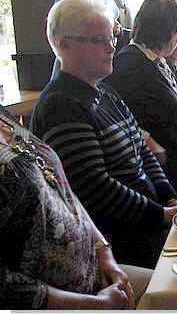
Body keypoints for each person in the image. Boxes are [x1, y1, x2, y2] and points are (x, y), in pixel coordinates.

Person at [31, 0, 177, 269]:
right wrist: (160, 215)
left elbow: (142, 150)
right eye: (99, 41)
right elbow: (96, 190)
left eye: (111, 38)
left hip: (149, 225)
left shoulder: (105, 91)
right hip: (118, 247)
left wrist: (169, 195)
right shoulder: (60, 105)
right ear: (65, 45)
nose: (111, 48)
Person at [0, 106, 153, 309]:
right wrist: (95, 305)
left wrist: (104, 252)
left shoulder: (3, 116)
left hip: (98, 275)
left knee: (175, 291)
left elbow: (61, 187)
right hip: (65, 304)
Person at [105, 0, 177, 196]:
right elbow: (126, 121)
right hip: (167, 171)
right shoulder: (129, 65)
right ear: (168, 32)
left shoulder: (156, 59)